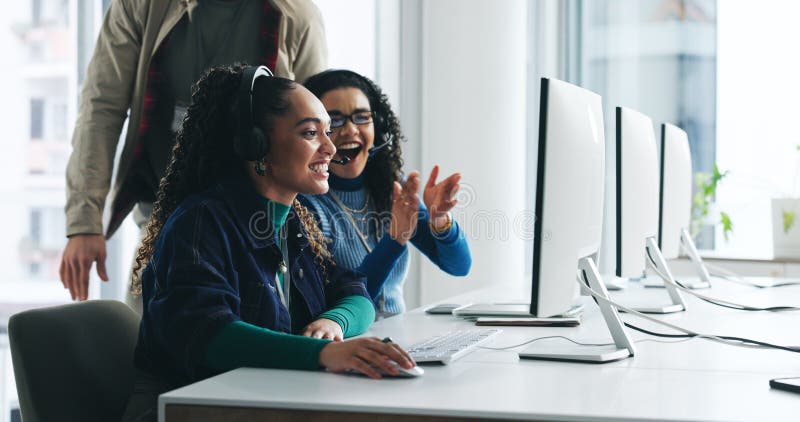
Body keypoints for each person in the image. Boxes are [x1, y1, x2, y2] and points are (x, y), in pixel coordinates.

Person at [120, 65, 415, 422]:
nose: (330, 147)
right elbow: (208, 334)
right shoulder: (201, 223)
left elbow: (356, 292)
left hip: (262, 401)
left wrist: (334, 323)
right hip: (187, 408)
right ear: (256, 144)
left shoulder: (292, 222)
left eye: (327, 132)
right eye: (310, 133)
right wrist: (322, 354)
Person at [60, 0, 328, 308]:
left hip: (258, 217)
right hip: (164, 212)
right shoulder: (140, 6)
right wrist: (84, 223)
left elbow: (315, 124)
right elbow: (101, 109)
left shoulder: (295, 13)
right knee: (150, 338)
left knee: (256, 333)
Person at [300, 70, 472, 315]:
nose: (350, 130)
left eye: (361, 118)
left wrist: (440, 220)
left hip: (397, 336)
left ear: (377, 126)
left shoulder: (390, 188)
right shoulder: (305, 206)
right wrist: (395, 239)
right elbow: (339, 303)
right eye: (334, 121)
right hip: (348, 343)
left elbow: (459, 266)